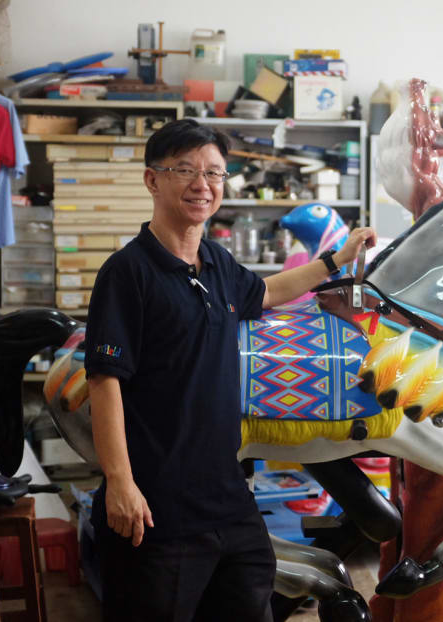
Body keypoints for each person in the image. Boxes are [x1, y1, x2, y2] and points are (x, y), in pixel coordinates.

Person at [83, 118, 375, 622]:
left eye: (215, 174)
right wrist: (119, 483)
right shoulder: (127, 273)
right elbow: (104, 382)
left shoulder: (217, 263)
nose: (203, 185)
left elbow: (269, 291)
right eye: (186, 170)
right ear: (153, 179)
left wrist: (337, 260)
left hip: (229, 498)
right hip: (156, 508)